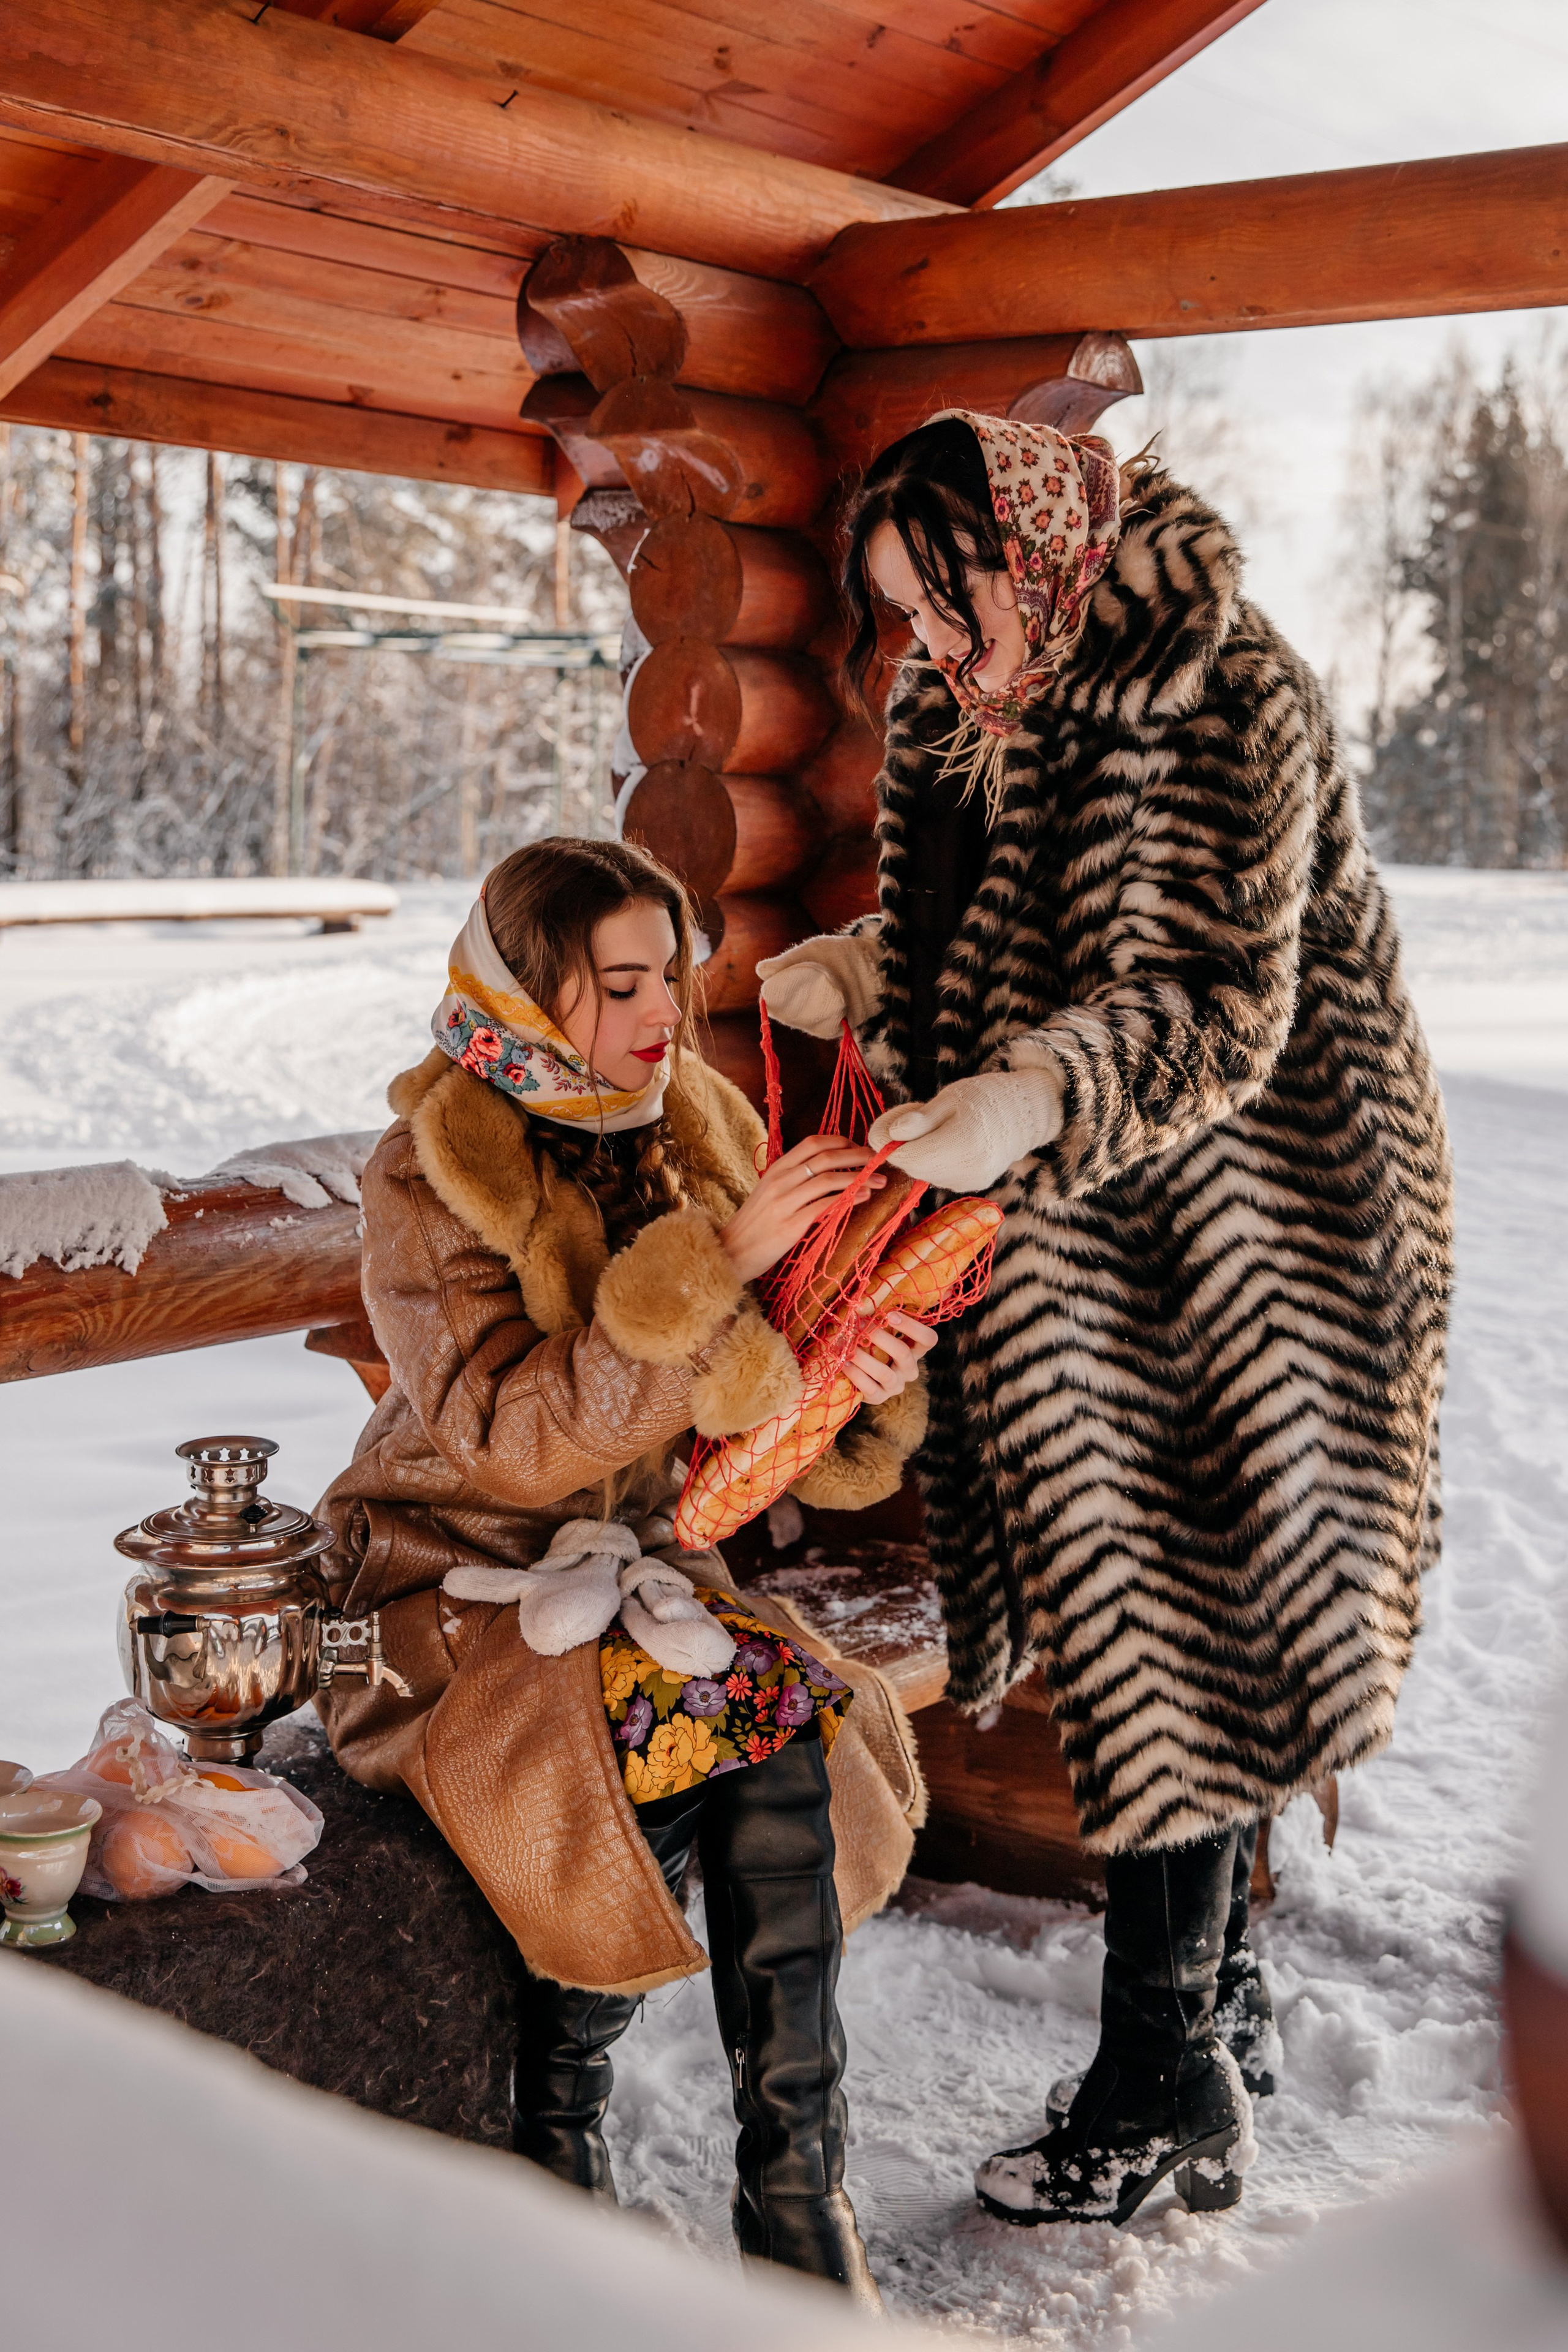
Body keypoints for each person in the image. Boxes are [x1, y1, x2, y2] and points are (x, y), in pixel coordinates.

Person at [758, 409, 1455, 2227]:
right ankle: (1209, 2000)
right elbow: (957, 950)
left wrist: (1024, 1099)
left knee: (1191, 1600)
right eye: (904, 616)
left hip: (1274, 1212)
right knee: (1142, 1594)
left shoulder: (1226, 694)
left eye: (952, 601)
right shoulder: (956, 708)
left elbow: (1213, 997)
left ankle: (1166, 2084)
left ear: (1038, 544)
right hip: (1077, 1199)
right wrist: (869, 990)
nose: (937, 654)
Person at [314, 836, 936, 2303]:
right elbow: (503, 1441)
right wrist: (713, 1261)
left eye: (674, 975)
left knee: (778, 1715)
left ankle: (796, 2200)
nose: (665, 1011)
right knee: (662, 1739)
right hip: (444, 1593)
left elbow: (740, 1401)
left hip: (630, 1578)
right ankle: (561, 2131)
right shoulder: (433, 1167)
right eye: (623, 984)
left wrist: (849, 1373)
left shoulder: (690, 1119)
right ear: (531, 991)